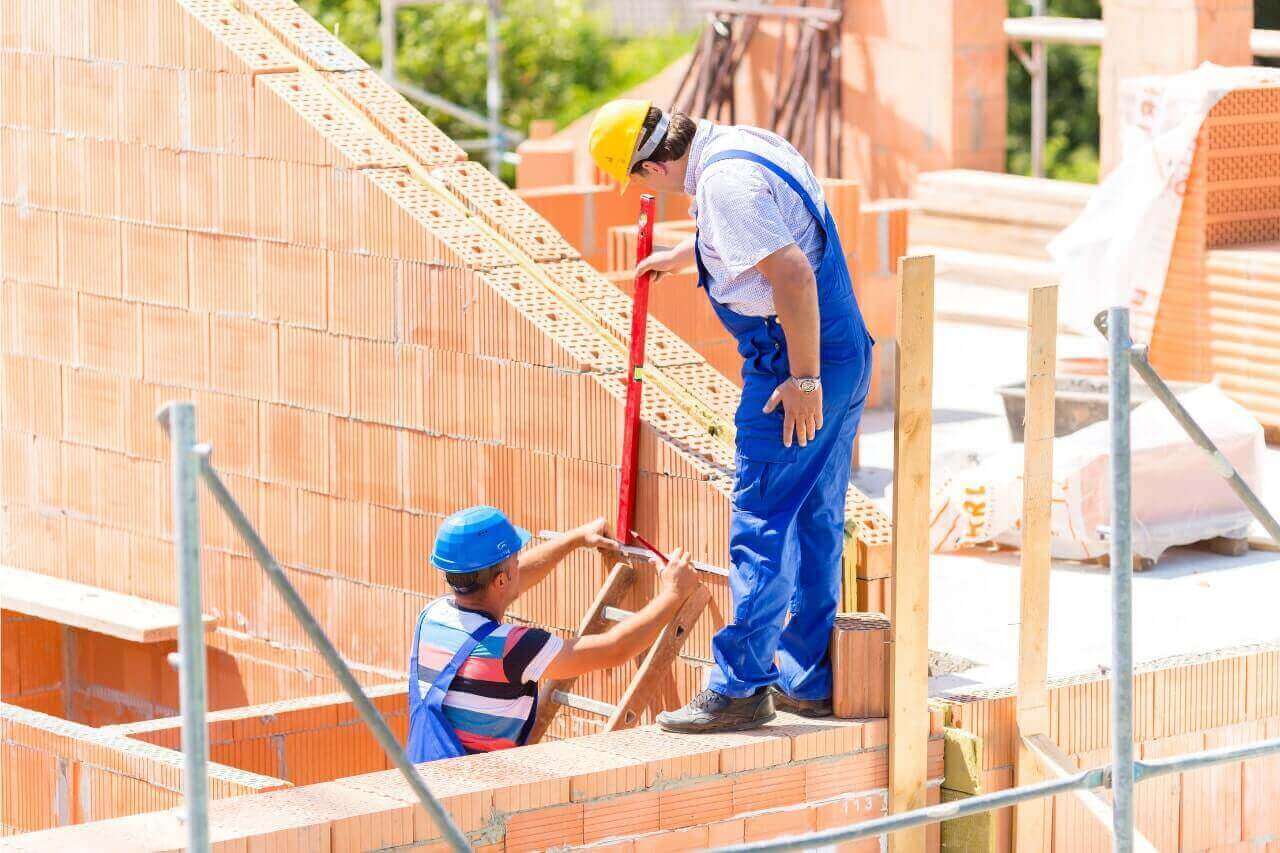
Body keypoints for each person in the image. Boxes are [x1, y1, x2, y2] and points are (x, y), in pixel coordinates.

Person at [587, 100, 874, 733]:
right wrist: (692, 255)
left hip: (794, 362)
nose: (641, 192)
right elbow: (782, 237)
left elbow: (793, 276)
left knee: (764, 519)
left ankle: (742, 685)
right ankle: (808, 676)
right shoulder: (739, 145)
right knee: (815, 515)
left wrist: (802, 381)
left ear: (655, 165)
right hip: (844, 351)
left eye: (636, 179)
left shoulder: (723, 185)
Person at [407, 505, 698, 761]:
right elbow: (614, 649)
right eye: (515, 562)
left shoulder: (432, 616)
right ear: (500, 579)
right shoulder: (514, 648)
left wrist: (573, 539)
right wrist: (673, 592)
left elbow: (511, 584)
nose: (520, 565)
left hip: (425, 781)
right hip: (470, 801)